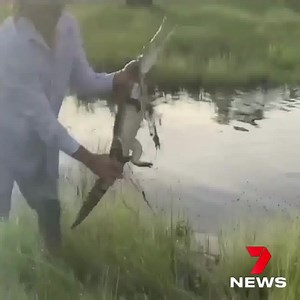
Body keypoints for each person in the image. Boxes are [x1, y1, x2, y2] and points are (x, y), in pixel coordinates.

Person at [0, 0, 139, 255]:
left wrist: (116, 80)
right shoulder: (10, 43)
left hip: (42, 143)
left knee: (50, 211)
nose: (52, 12)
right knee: (1, 222)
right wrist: (90, 160)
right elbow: (41, 118)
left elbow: (82, 79)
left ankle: (54, 272)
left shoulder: (68, 26)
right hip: (4, 145)